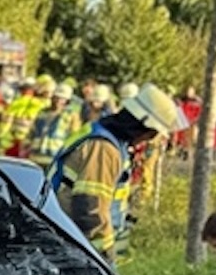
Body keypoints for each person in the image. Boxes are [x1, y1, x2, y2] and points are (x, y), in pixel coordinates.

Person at [48, 82, 185, 259]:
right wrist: (103, 258)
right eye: (153, 134)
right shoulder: (104, 149)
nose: (150, 140)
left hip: (67, 237)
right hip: (70, 243)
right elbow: (90, 210)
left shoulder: (106, 137)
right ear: (143, 127)